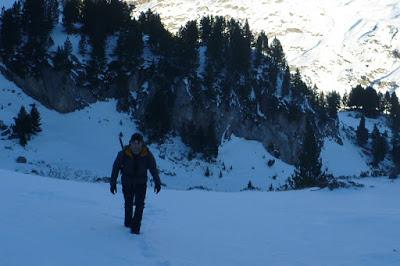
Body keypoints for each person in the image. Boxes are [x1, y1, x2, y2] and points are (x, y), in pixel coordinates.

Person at [110, 133, 161, 234]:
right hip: (127, 182)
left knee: (139, 205)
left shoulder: (147, 154)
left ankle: (135, 228)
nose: (136, 146)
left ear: (142, 144)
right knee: (128, 203)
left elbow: (153, 169)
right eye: (134, 143)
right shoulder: (123, 153)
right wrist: (113, 183)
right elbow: (115, 168)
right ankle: (128, 222)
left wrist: (157, 182)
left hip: (141, 183)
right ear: (130, 143)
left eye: (139, 143)